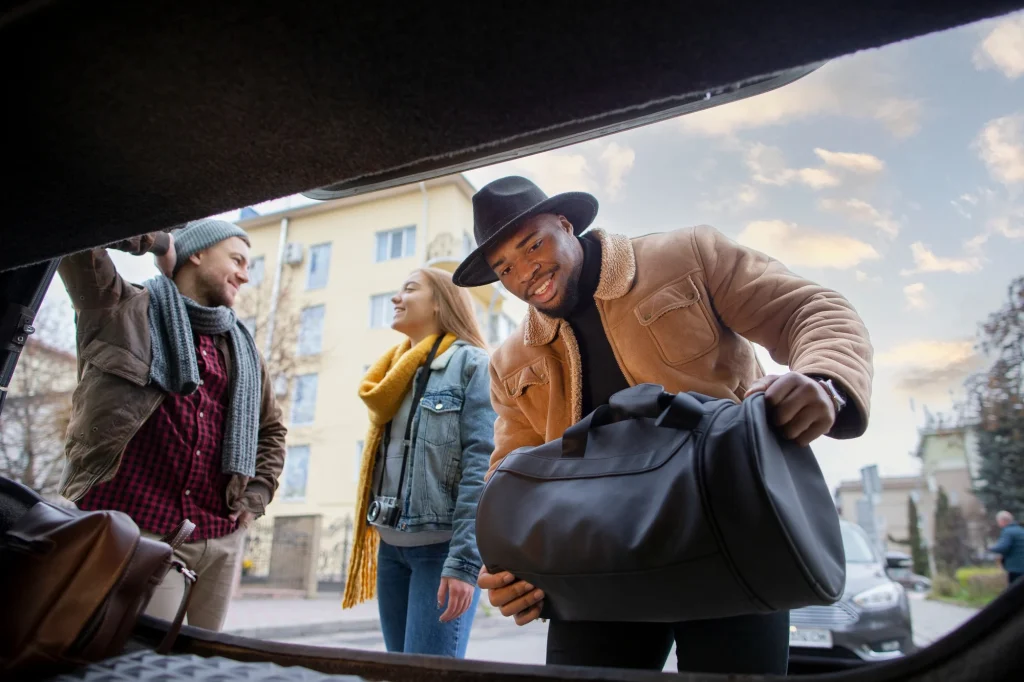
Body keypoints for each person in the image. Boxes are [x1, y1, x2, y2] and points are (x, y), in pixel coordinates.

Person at [452, 176, 874, 675]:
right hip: (597, 564)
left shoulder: (687, 256)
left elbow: (810, 310)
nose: (526, 273)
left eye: (533, 245)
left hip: (734, 531)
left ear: (565, 224)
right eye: (505, 268)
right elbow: (511, 474)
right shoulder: (511, 360)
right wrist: (509, 565)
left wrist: (823, 381)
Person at [57, 220, 287, 631]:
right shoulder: (117, 307)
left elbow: (270, 432)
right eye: (236, 259)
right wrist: (160, 241)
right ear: (196, 253)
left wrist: (254, 499)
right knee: (136, 664)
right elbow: (77, 235)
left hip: (217, 539)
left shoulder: (243, 350)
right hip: (135, 531)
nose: (245, 274)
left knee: (196, 666)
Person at [344, 267, 494, 658]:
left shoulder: (473, 365)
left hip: (439, 551)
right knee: (401, 671)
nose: (396, 298)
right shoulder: (391, 372)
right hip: (389, 548)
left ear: (442, 302)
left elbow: (483, 466)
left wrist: (463, 562)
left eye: (409, 289)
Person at [989, 511, 1024, 587]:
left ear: (1002, 521)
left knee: (1014, 590)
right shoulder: (1021, 530)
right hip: (1022, 567)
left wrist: (991, 548)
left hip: (1015, 567)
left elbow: (1003, 547)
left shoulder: (1008, 531)